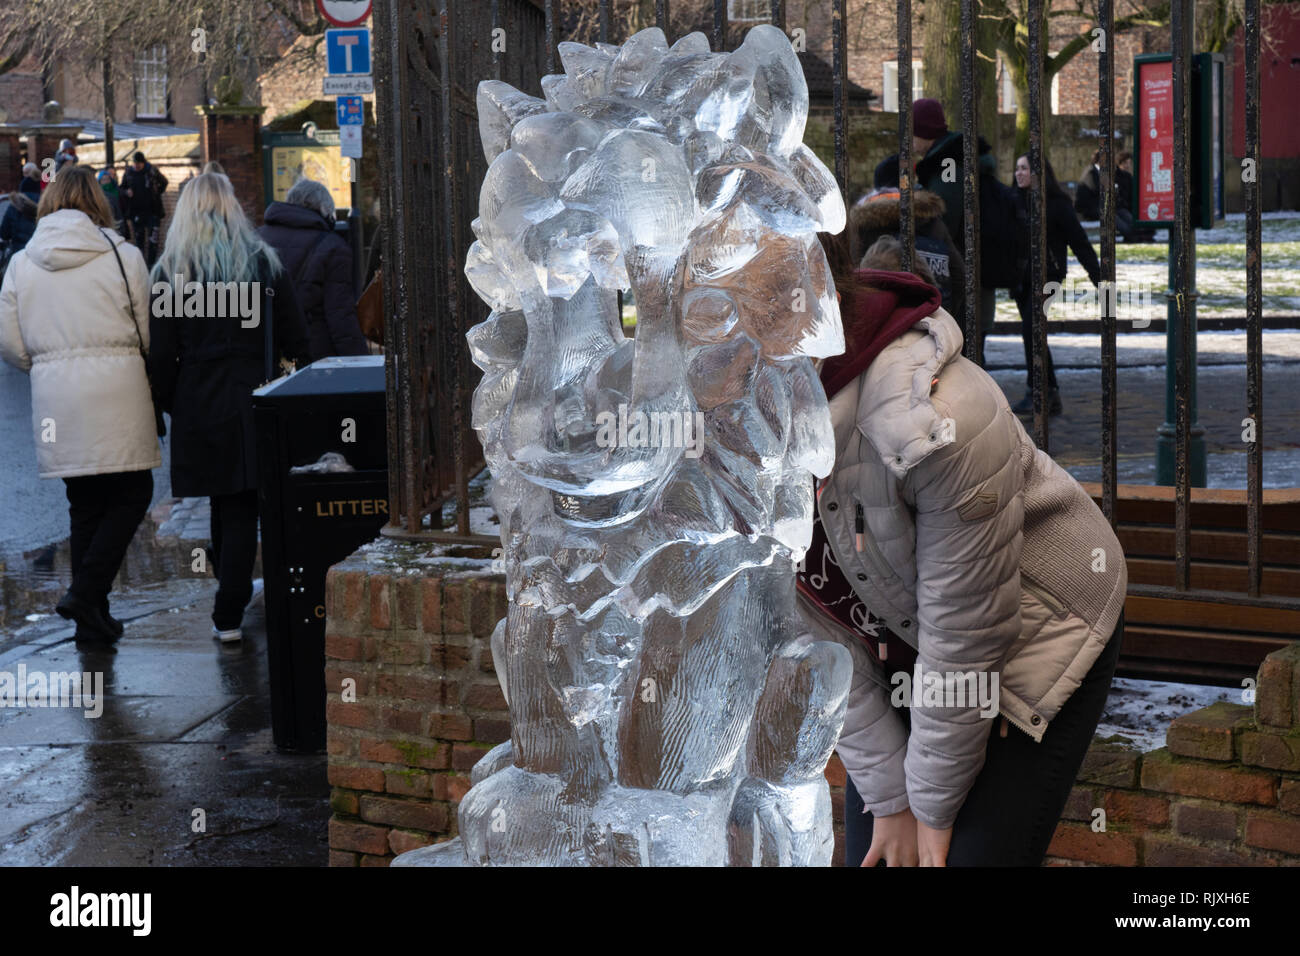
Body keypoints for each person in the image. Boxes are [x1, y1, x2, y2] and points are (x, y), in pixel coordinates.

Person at [797, 228, 1127, 866]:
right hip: (896, 627)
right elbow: (800, 632)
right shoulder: (726, 422)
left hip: (1032, 625)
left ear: (806, 302)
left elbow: (965, 637)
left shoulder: (942, 417)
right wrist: (891, 798)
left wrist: (932, 809)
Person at [148, 173, 311, 643]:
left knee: (225, 500)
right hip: (251, 393)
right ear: (233, 208)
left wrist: (170, 401)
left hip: (197, 398)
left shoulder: (170, 273)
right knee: (238, 502)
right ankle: (231, 603)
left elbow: (161, 356)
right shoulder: (262, 264)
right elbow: (296, 341)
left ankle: (230, 604)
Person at [0, 165, 159, 645]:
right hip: (118, 389)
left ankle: (92, 620)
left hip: (57, 399)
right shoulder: (122, 254)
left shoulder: (23, 263)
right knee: (133, 494)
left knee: (85, 503)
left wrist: (43, 365)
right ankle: (86, 593)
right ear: (98, 200)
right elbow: (146, 326)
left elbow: (10, 342)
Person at [910, 99, 1012, 364]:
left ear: (924, 132)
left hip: (963, 269)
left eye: (911, 131)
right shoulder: (948, 159)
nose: (907, 139)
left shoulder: (948, 163)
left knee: (964, 350)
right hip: (970, 266)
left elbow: (945, 214)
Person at [1010, 153, 1101, 417]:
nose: (1019, 173)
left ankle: (1036, 392)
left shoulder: (1057, 205)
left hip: (1048, 275)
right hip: (1021, 277)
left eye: (1025, 168)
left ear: (1039, 173)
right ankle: (1050, 392)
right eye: (1017, 169)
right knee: (1034, 332)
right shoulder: (1014, 201)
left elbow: (1080, 243)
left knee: (1030, 329)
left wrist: (1099, 278)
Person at [258, 178, 368, 359]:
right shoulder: (333, 247)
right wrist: (360, 361)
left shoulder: (255, 239)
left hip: (266, 352)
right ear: (324, 209)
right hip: (313, 354)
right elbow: (340, 314)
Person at [849, 183, 964, 321]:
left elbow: (853, 279)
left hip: (883, 322)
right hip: (933, 315)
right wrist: (946, 311)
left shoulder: (864, 228)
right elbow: (959, 275)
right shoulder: (934, 223)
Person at [120, 151, 168, 266]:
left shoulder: (151, 171)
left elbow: (164, 182)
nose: (137, 166)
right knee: (139, 241)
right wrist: (127, 192)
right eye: (135, 163)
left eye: (139, 164)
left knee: (153, 241)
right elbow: (121, 188)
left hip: (153, 211)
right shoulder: (128, 173)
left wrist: (157, 192)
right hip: (136, 212)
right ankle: (141, 265)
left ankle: (151, 265)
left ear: (143, 162)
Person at [0, 189, 38, 259]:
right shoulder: (49, 205)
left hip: (18, 254)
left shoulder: (14, 206)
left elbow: (4, 234)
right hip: (40, 257)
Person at [1074, 148, 1102, 221]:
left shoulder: (1093, 169)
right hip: (1087, 208)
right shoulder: (1092, 171)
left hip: (1091, 205)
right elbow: (1097, 190)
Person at [97, 168, 125, 234]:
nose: (106, 181)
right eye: (103, 180)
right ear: (99, 181)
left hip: (116, 220)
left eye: (108, 179)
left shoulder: (116, 191)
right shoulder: (97, 194)